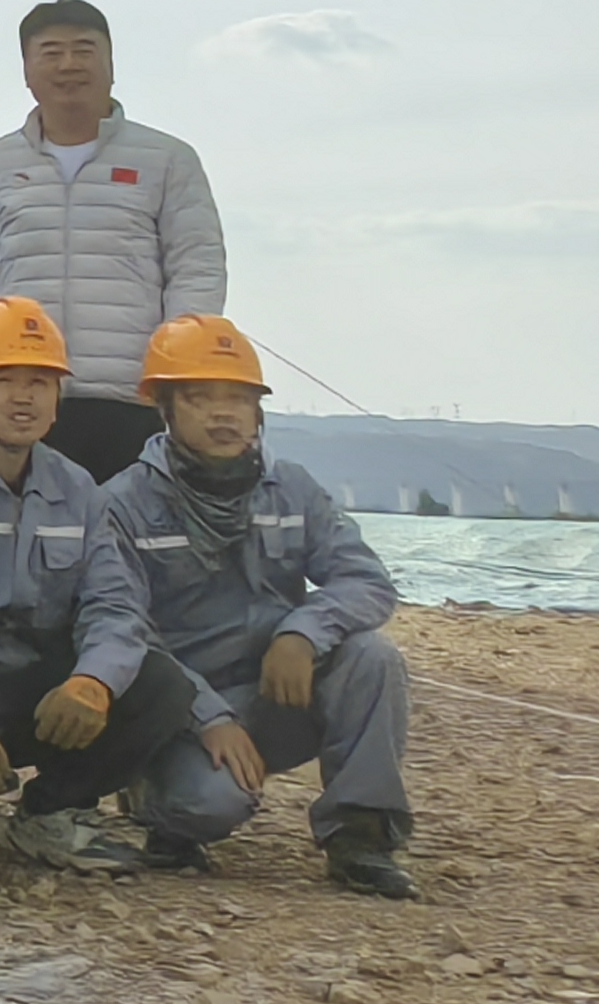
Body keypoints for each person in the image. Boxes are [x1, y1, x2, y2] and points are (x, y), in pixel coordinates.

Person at [0, 296, 198, 880]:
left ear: (58, 395)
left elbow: (116, 603)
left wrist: (92, 681)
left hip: (32, 686)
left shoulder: (78, 490)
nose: (23, 398)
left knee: (160, 684)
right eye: (3, 381)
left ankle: (51, 812)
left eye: (40, 382)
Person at [103, 316, 416, 898]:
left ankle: (361, 836)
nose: (223, 414)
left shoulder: (292, 489)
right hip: (177, 710)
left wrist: (303, 632)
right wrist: (207, 716)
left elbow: (367, 582)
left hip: (275, 692)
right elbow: (123, 630)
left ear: (259, 410)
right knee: (207, 806)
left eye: (239, 398)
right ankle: (156, 803)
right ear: (164, 408)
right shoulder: (123, 505)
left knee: (372, 659)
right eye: (200, 398)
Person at [0, 0, 228, 476]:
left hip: (133, 398)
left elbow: (197, 268)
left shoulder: (167, 159)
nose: (68, 65)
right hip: (25, 397)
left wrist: (176, 374)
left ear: (111, 65)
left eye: (84, 50)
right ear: (27, 71)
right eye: (51, 52)